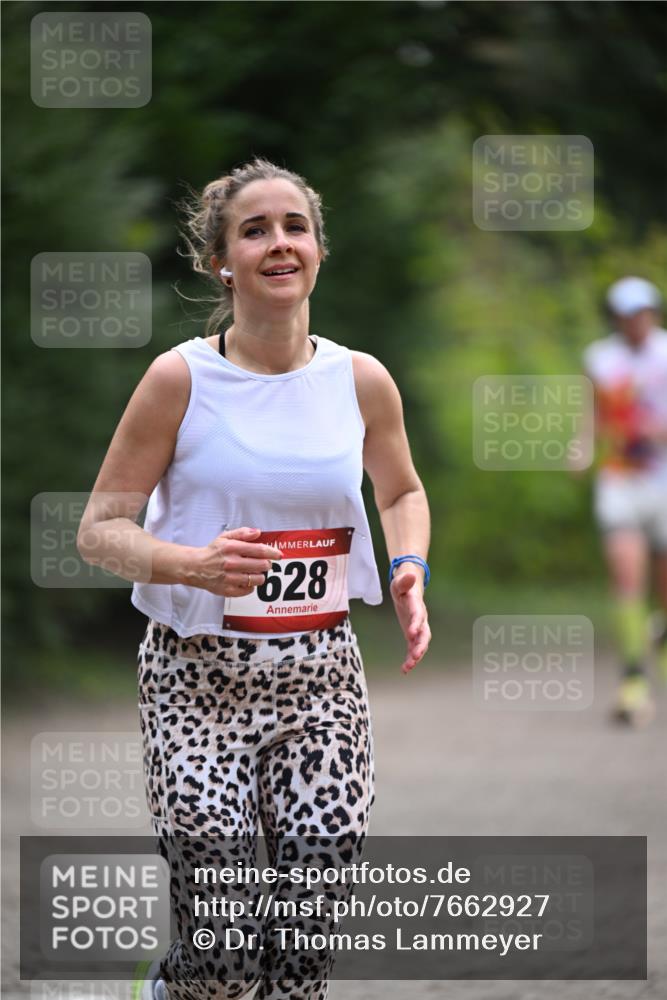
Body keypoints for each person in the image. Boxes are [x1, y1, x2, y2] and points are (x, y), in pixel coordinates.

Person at [77, 157, 431, 999]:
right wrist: (188, 563)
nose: (279, 244)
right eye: (255, 229)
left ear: (318, 249)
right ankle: (172, 988)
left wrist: (407, 565)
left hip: (320, 685)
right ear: (220, 263)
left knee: (305, 951)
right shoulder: (179, 380)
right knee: (223, 958)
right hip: (195, 685)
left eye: (295, 227)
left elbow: (402, 490)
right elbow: (97, 532)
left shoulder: (359, 380)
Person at [581, 276, 667, 726]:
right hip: (620, 482)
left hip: (663, 483)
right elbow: (593, 413)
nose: (635, 321)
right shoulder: (600, 358)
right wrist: (580, 446)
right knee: (627, 579)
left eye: (642, 312)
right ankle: (633, 679)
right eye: (627, 314)